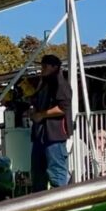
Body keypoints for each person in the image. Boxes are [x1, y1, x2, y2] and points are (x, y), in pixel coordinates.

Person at [29, 54, 72, 191]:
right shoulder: (43, 83)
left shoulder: (60, 84)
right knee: (38, 173)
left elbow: (63, 107)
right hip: (40, 135)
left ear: (55, 67)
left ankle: (60, 204)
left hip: (55, 136)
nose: (42, 69)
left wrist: (42, 115)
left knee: (56, 173)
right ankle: (39, 205)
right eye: (42, 66)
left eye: (45, 66)